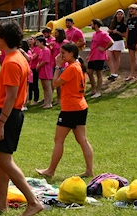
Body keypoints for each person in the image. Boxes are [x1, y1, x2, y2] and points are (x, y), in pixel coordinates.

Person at [0, 23, 43, 216]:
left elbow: (11, 96)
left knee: (4, 160)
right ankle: (2, 203)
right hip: (5, 113)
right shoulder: (16, 58)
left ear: (3, 39)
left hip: (7, 114)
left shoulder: (12, 62)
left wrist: (0, 122)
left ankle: (33, 202)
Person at [37, 43, 94, 177]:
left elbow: (55, 83)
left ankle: (50, 170)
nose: (60, 56)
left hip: (71, 108)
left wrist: (57, 66)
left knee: (59, 140)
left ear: (71, 54)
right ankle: (89, 171)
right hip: (81, 106)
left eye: (63, 53)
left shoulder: (72, 68)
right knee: (83, 140)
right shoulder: (78, 65)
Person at [87, 19, 113, 98]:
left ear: (96, 25)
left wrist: (104, 49)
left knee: (99, 74)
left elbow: (111, 42)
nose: (91, 25)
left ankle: (98, 92)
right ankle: (93, 89)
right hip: (92, 56)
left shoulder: (103, 34)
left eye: (92, 24)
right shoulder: (95, 34)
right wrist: (89, 55)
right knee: (89, 72)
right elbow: (93, 46)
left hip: (99, 56)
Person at [107, 9, 127, 80]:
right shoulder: (112, 22)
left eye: (121, 14)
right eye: (118, 14)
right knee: (109, 57)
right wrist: (109, 31)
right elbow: (109, 30)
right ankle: (112, 72)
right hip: (111, 41)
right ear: (116, 15)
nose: (119, 15)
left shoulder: (124, 24)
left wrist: (118, 32)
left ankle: (115, 72)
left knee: (116, 58)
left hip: (118, 41)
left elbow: (125, 35)